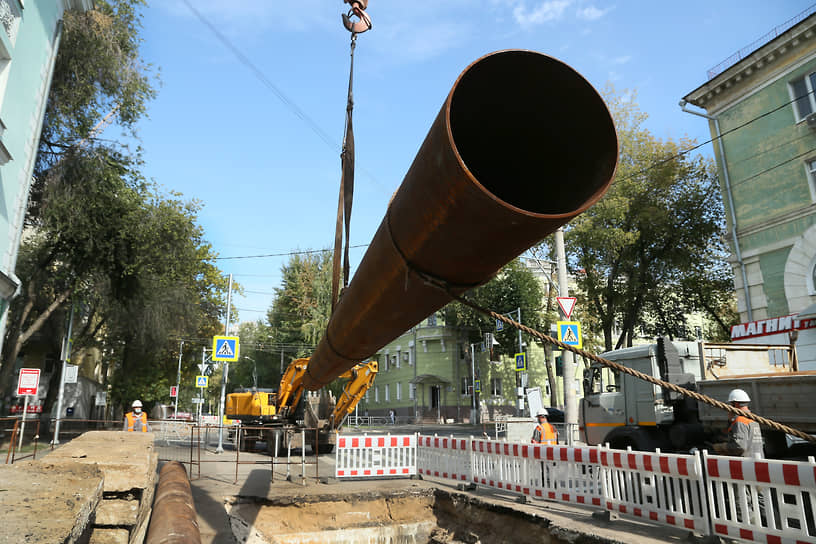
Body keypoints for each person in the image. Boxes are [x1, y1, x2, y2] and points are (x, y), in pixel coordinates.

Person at [712, 389, 764, 458]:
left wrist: (721, 447)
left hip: (746, 463)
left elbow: (739, 446)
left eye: (731, 404)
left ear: (735, 404)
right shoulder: (753, 419)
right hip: (758, 460)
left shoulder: (740, 421)